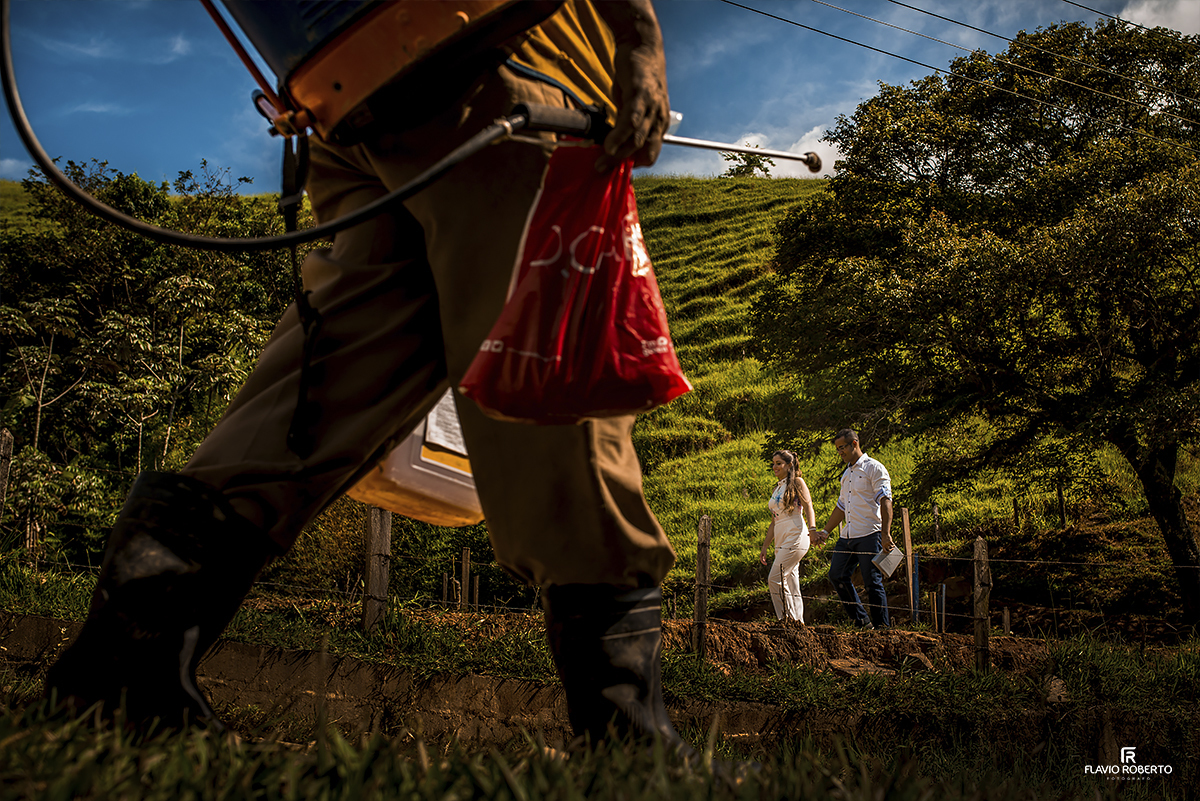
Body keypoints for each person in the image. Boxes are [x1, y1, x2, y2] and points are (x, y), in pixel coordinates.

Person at [45, 0, 689, 753]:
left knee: (317, 393)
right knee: (555, 381)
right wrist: (640, 41)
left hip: (352, 101)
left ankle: (119, 676)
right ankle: (629, 741)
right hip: (494, 68)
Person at [811, 429, 894, 630]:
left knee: (872, 582)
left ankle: (882, 628)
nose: (840, 452)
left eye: (842, 448)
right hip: (848, 536)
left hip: (870, 533)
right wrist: (826, 531)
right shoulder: (846, 474)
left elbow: (886, 501)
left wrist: (885, 533)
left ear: (854, 444)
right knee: (836, 575)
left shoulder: (874, 468)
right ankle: (862, 622)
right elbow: (841, 507)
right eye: (837, 449)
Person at [758, 450, 815, 624]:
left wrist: (812, 529)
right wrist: (765, 546)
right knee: (791, 581)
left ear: (789, 465)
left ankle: (787, 621)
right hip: (780, 536)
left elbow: (808, 506)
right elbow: (773, 522)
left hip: (796, 534)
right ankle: (798, 622)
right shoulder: (777, 488)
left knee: (775, 578)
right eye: (773, 463)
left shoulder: (797, 482)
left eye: (779, 463)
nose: (774, 466)